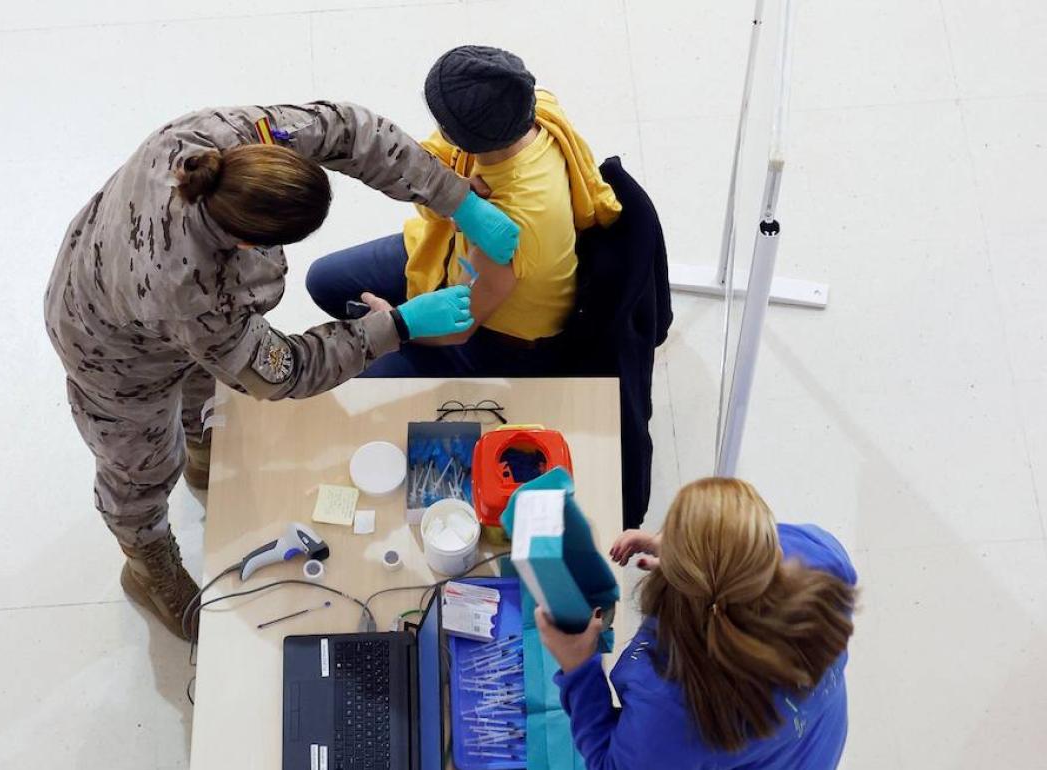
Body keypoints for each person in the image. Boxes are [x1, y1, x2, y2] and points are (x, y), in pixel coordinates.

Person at [44, 101, 520, 640]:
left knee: (204, 393)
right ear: (248, 243)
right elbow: (282, 371)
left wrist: (455, 198)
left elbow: (351, 132)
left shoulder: (233, 139)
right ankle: (146, 562)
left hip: (119, 264)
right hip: (110, 343)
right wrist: (398, 327)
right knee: (142, 463)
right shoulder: (200, 294)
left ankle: (204, 450)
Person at [306, 45, 621, 376]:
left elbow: (460, 327)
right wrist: (450, 187)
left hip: (492, 338)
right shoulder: (532, 104)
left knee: (357, 378)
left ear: (455, 136)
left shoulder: (508, 228)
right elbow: (424, 156)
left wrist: (394, 324)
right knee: (324, 280)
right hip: (450, 249)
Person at [536, 478, 857, 769]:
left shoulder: (673, 707)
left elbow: (612, 765)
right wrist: (697, 556)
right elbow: (745, 552)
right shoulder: (820, 561)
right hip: (813, 747)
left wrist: (578, 668)